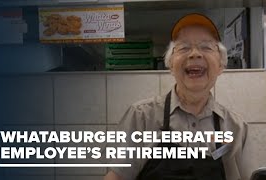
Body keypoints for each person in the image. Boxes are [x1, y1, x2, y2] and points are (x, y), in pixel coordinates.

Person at [104, 13, 248, 180]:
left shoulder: (235, 128)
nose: (195, 54)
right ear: (170, 65)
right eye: (184, 47)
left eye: (206, 47)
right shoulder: (141, 116)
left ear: (221, 66)